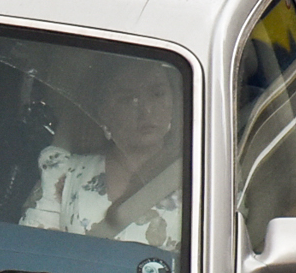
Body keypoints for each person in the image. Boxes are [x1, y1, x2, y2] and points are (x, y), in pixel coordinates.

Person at [21, 55, 184, 251]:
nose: (146, 110)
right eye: (127, 99)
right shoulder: (62, 175)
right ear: (103, 111)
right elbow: (31, 253)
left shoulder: (199, 181)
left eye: (157, 94)